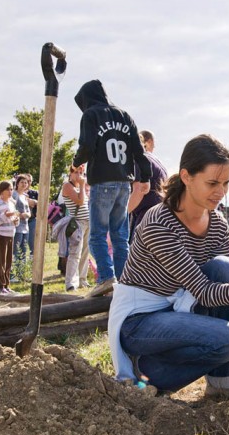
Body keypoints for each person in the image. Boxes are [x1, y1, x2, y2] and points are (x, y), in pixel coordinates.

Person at [108, 134, 229, 406]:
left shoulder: (218, 224)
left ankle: (226, 384)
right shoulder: (158, 222)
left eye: (225, 183)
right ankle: (142, 374)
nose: (220, 192)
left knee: (223, 267)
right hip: (139, 321)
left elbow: (223, 289)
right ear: (186, 176)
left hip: (178, 310)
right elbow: (206, 293)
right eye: (212, 183)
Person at [72, 79, 152, 297]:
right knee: (119, 235)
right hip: (124, 183)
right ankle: (126, 281)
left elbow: (86, 146)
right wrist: (145, 176)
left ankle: (106, 278)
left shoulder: (91, 115)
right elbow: (139, 151)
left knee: (97, 235)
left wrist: (76, 160)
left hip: (102, 181)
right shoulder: (125, 115)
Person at [128, 130, 168, 242]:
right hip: (160, 214)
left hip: (147, 216)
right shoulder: (155, 160)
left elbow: (139, 191)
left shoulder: (138, 160)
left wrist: (120, 216)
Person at [0, 180, 20, 294]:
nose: (10, 192)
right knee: (1, 261)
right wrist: (3, 216)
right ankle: (0, 286)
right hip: (2, 235)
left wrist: (16, 220)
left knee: (9, 261)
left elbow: (14, 219)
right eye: (8, 189)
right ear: (1, 191)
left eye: (11, 189)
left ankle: (7, 284)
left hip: (11, 234)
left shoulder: (11, 203)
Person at [62, 165, 90, 291]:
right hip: (77, 223)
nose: (79, 175)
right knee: (75, 253)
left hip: (87, 222)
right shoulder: (67, 186)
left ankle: (82, 279)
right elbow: (79, 201)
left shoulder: (80, 187)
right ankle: (71, 282)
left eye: (81, 172)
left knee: (85, 253)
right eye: (76, 172)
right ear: (71, 174)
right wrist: (83, 185)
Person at [11, 174, 31, 282]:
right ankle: (13, 275)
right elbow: (11, 208)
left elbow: (28, 210)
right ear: (17, 183)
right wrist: (20, 214)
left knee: (23, 251)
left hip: (26, 227)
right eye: (22, 182)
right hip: (17, 226)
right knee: (16, 250)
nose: (24, 184)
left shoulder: (24, 196)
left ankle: (22, 273)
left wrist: (28, 214)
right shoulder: (14, 194)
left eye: (26, 182)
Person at [24, 174, 38, 256]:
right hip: (20, 221)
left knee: (33, 245)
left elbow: (43, 204)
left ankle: (32, 265)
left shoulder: (35, 193)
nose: (28, 183)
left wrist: (35, 202)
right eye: (26, 181)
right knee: (20, 245)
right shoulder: (16, 193)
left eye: (30, 181)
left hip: (32, 221)